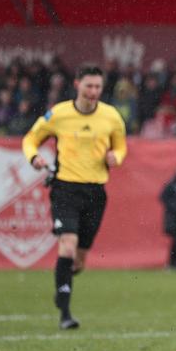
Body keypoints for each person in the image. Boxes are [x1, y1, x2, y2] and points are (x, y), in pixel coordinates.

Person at [21, 65, 127, 329]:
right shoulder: (58, 114)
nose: (93, 92)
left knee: (78, 261)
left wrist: (117, 157)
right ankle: (66, 314)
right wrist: (34, 157)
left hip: (95, 192)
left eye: (97, 87)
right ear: (77, 84)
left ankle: (63, 286)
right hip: (65, 188)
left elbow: (121, 145)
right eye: (88, 86)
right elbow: (30, 139)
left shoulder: (111, 116)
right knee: (66, 244)